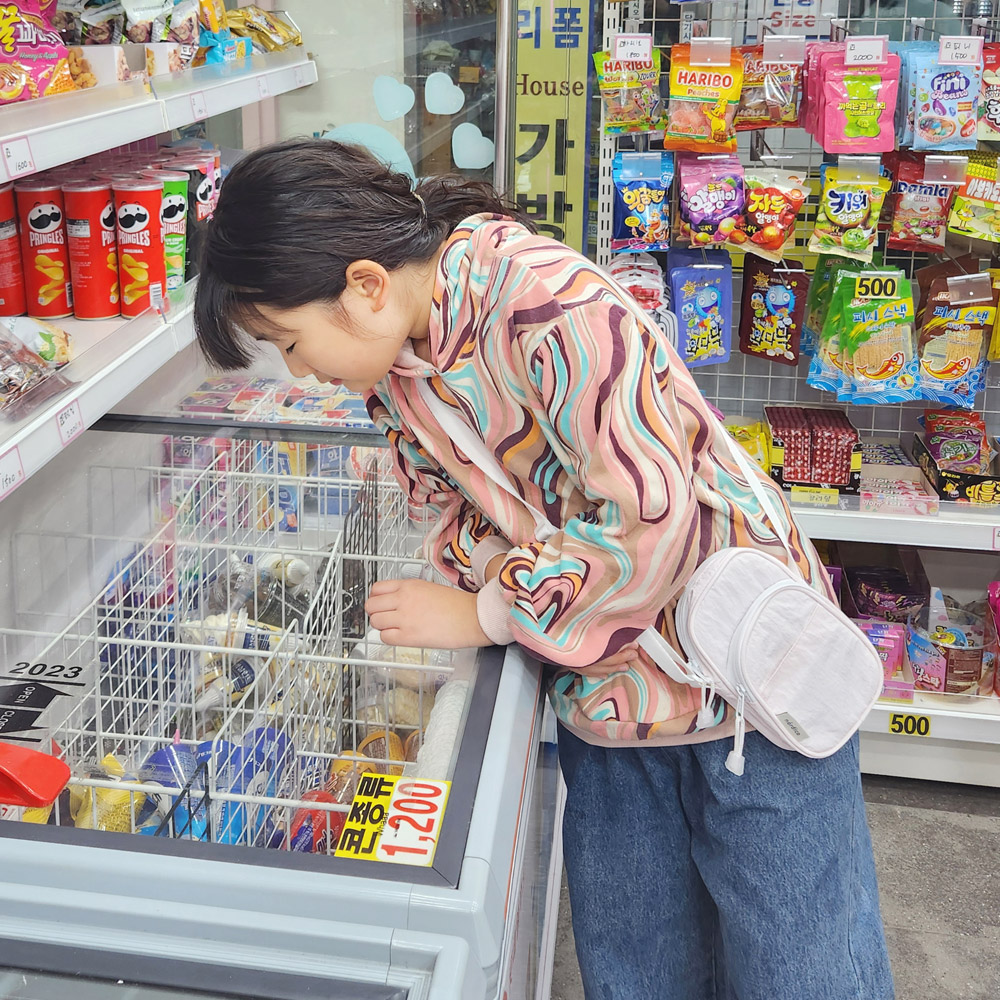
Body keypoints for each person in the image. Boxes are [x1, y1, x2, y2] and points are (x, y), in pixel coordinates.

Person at [194, 138, 894, 1000]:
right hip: (606, 695)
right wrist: (502, 572)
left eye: (290, 342)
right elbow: (447, 513)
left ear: (365, 286)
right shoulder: (396, 377)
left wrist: (490, 611)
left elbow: (647, 516)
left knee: (804, 960)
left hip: (744, 674)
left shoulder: (547, 303)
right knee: (638, 961)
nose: (302, 372)